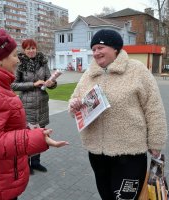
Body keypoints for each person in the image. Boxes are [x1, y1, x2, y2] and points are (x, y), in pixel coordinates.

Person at [0, 29, 68, 200]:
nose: (17, 59)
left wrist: (50, 83)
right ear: (0, 59)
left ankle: (35, 162)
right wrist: (35, 138)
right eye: (15, 55)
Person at [68, 29, 167, 200]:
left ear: (115, 48)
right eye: (93, 49)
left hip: (129, 153)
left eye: (100, 48)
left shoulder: (137, 70)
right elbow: (75, 101)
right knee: (106, 195)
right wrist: (74, 105)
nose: (96, 53)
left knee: (125, 197)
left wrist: (156, 143)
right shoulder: (88, 74)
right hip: (97, 153)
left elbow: (154, 108)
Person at [11, 39, 56, 174]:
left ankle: (36, 162)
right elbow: (13, 85)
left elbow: (50, 80)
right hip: (26, 105)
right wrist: (33, 84)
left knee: (40, 135)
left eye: (33, 48)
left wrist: (51, 83)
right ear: (24, 50)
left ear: (36, 48)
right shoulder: (20, 65)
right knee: (27, 136)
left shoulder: (43, 62)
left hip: (42, 104)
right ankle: (26, 164)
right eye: (28, 48)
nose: (31, 51)